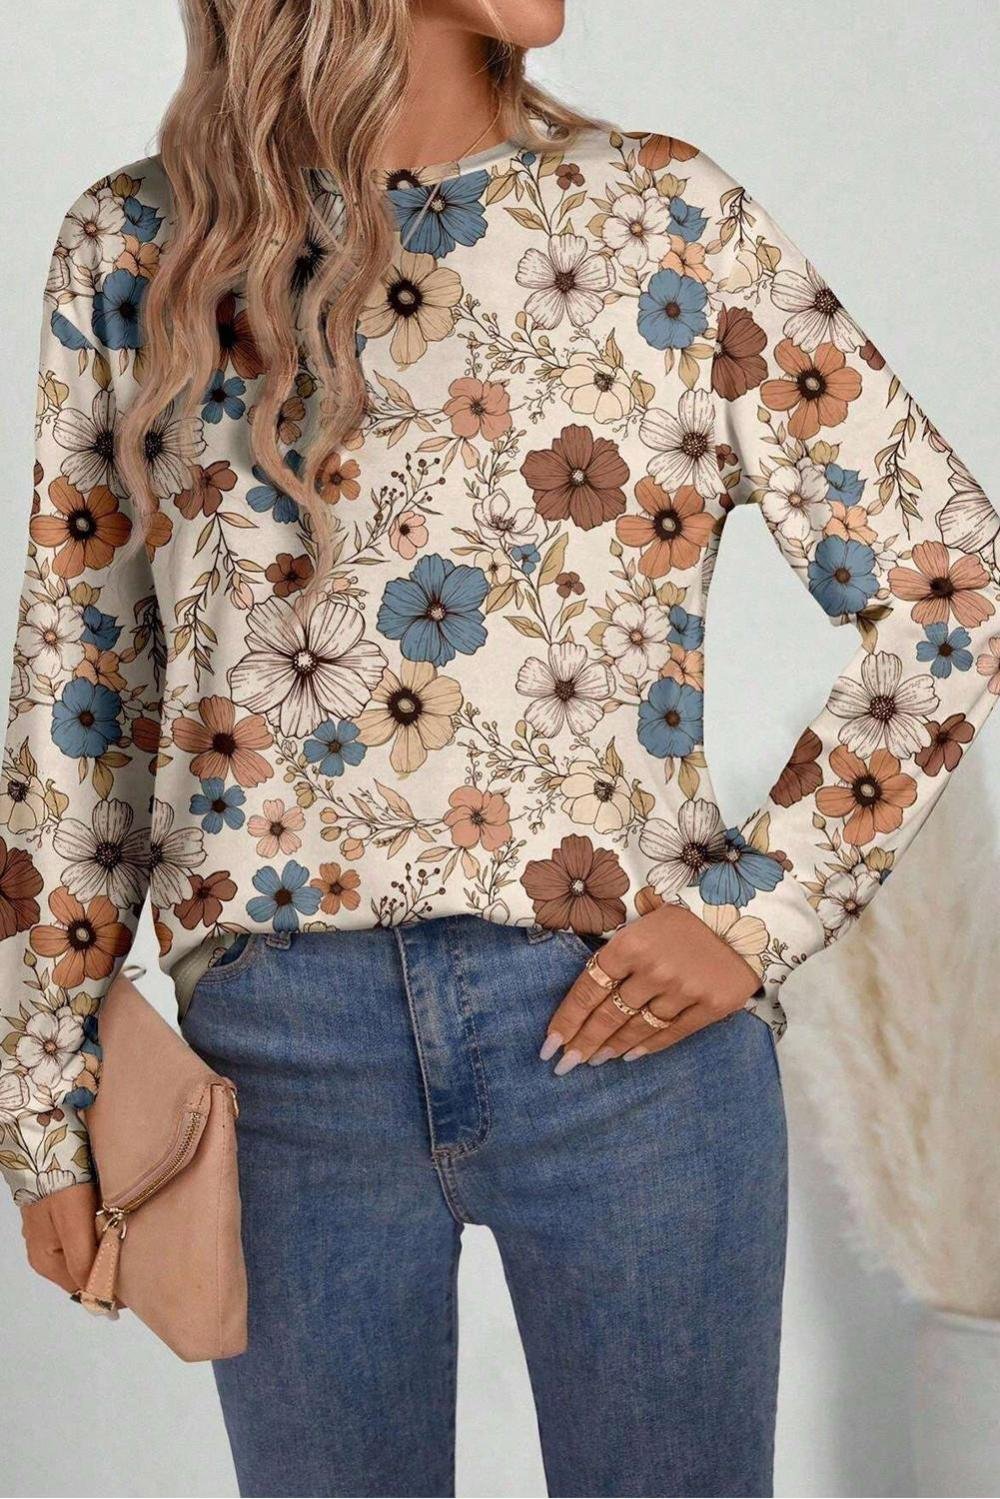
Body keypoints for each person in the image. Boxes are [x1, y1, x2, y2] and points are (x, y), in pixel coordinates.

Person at [4, 1, 998, 1494]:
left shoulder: (662, 215)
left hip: (628, 1043)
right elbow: (82, 691)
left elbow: (950, 585)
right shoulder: (141, 244)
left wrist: (757, 913)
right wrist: (40, 1098)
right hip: (279, 1062)